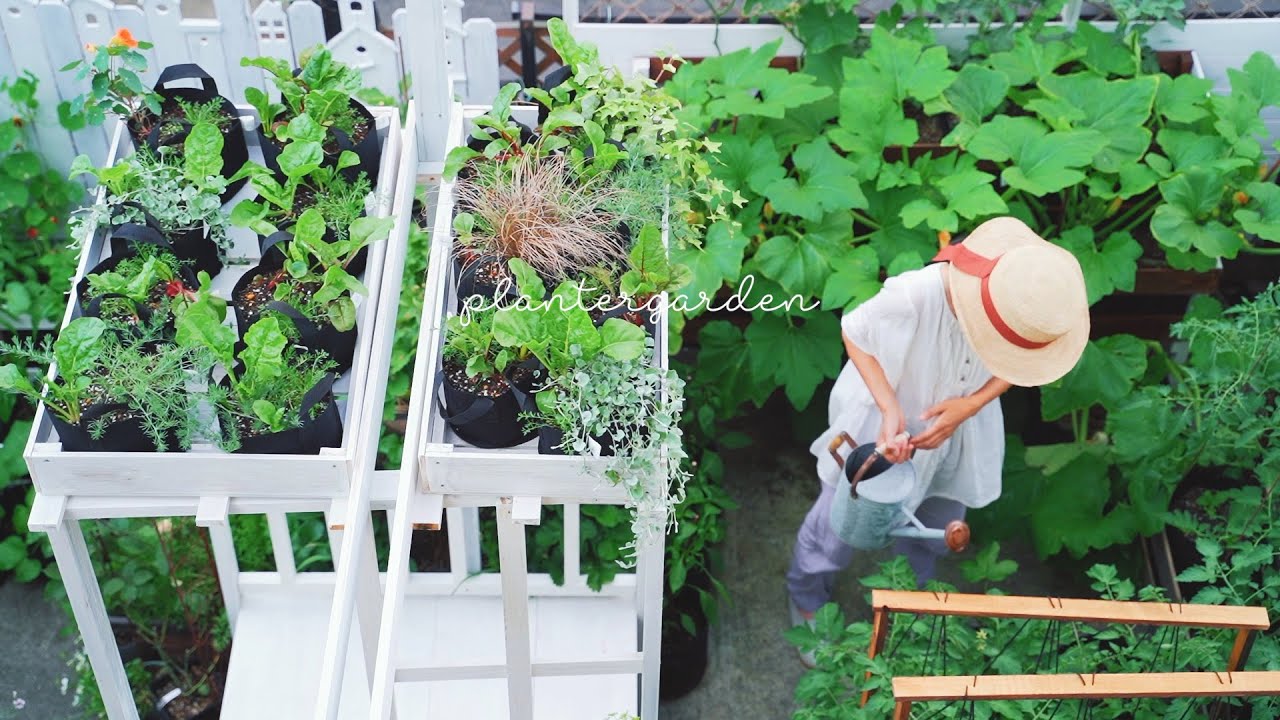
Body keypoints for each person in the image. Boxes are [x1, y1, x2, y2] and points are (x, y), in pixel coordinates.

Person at [785, 216, 1090, 667]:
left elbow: (1022, 361)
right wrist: (890, 408)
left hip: (957, 432)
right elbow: (855, 331)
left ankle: (904, 608)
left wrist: (972, 404)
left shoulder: (1027, 304)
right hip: (881, 423)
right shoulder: (917, 293)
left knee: (932, 528)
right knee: (838, 525)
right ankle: (806, 596)